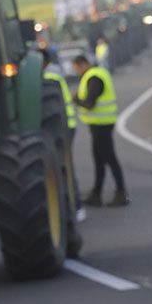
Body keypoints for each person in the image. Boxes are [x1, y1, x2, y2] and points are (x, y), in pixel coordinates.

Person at [71, 54, 129, 207]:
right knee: (99, 160)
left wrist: (76, 99)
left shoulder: (94, 77)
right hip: (99, 124)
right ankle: (96, 194)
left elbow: (90, 103)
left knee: (109, 158)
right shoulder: (96, 74)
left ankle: (121, 193)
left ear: (82, 64)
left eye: (76, 68)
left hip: (102, 125)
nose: (76, 72)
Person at [42, 49, 85, 222]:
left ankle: (77, 206)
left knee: (64, 167)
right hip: (63, 124)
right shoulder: (53, 74)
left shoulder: (50, 77)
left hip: (62, 126)